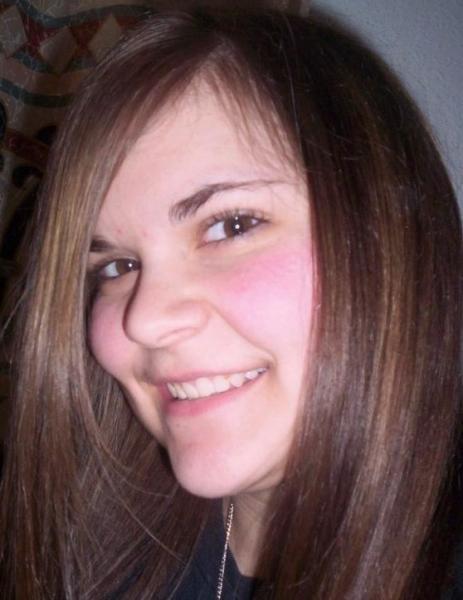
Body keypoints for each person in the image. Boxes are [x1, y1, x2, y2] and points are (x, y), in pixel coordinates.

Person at [0, 3, 462, 599]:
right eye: (117, 266)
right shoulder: (94, 551)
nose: (146, 319)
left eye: (231, 225)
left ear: (391, 237)